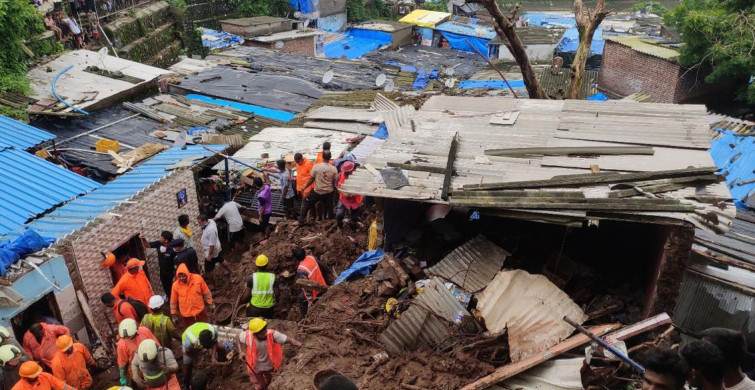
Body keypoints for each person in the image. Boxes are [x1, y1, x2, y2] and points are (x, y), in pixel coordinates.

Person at [237, 318, 301, 390]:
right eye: (261, 334)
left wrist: (296, 343)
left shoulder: (272, 334)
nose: (265, 334)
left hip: (269, 365)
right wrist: (240, 352)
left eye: (265, 331)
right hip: (254, 366)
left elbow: (289, 339)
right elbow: (237, 338)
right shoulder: (247, 336)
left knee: (269, 380)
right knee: (259, 385)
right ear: (255, 334)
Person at [297, 151, 337, 224]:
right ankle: (331, 220)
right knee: (330, 207)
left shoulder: (316, 166)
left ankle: (301, 220)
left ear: (322, 157)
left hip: (318, 191)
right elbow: (334, 182)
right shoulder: (334, 169)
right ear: (330, 158)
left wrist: (304, 187)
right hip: (329, 192)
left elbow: (311, 180)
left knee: (306, 201)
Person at [116, 319, 159, 386]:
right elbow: (123, 363)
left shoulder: (144, 331)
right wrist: (123, 376)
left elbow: (156, 345)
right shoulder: (121, 345)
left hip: (153, 363)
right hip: (137, 370)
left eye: (131, 336)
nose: (129, 339)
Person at [181, 323, 219, 390]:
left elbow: (215, 343)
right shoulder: (188, 342)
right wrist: (197, 360)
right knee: (187, 365)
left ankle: (220, 373)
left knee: (220, 347)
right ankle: (187, 385)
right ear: (200, 342)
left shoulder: (213, 331)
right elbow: (188, 352)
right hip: (188, 339)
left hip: (198, 332)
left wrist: (213, 357)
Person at [140, 231, 176, 296]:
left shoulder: (173, 247)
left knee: (174, 287)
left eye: (162, 238)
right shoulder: (159, 243)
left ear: (166, 240)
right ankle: (170, 299)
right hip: (163, 271)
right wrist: (143, 239)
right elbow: (147, 245)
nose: (160, 239)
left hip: (172, 271)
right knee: (166, 286)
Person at [294, 248, 326, 316]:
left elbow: (307, 285)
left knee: (301, 300)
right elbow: (322, 266)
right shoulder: (311, 258)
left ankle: (305, 316)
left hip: (315, 291)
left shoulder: (301, 269)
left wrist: (310, 299)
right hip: (322, 284)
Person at [335, 161, 363, 230]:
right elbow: (336, 186)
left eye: (348, 172)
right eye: (345, 172)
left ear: (352, 170)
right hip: (344, 198)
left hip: (355, 199)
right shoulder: (340, 175)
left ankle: (353, 227)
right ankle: (339, 226)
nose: (346, 174)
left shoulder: (359, 177)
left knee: (354, 216)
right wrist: (342, 192)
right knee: (339, 214)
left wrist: (353, 194)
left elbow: (362, 188)